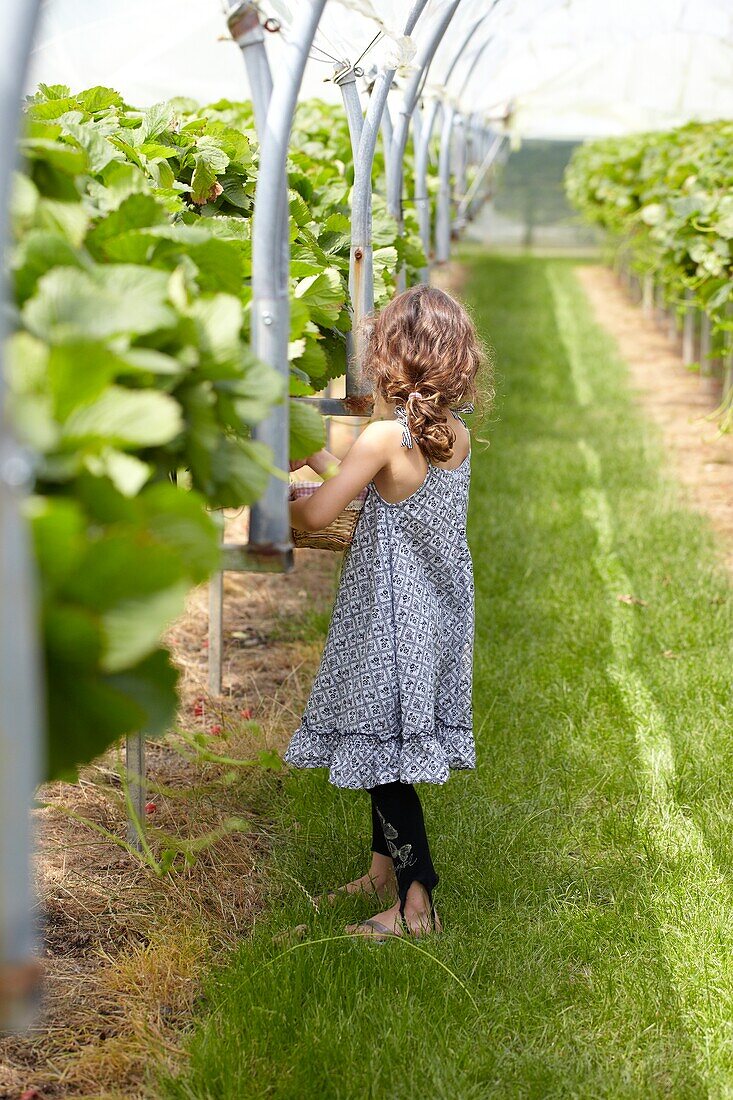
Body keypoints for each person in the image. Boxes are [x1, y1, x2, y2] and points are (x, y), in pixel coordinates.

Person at [285, 284, 489, 940]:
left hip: (389, 620)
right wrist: (316, 458)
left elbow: (321, 511)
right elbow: (367, 482)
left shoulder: (384, 436)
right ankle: (380, 873)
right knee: (392, 743)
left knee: (388, 762)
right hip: (432, 615)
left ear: (389, 357)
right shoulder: (449, 435)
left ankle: (414, 905)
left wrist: (268, 504)